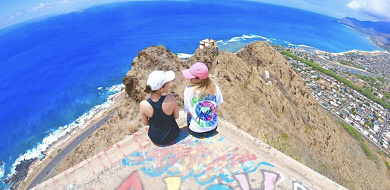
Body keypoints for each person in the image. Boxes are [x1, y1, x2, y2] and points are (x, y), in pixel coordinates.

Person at [182, 62, 223, 138]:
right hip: (213, 128)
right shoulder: (215, 88)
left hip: (196, 132)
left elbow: (188, 112)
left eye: (191, 77)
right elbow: (215, 107)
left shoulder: (188, 91)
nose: (189, 78)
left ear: (199, 79)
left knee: (190, 114)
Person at [139, 70, 180, 145]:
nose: (168, 83)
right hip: (173, 135)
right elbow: (176, 116)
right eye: (167, 82)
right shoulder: (170, 98)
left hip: (155, 138)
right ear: (160, 88)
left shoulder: (143, 105)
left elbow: (146, 123)